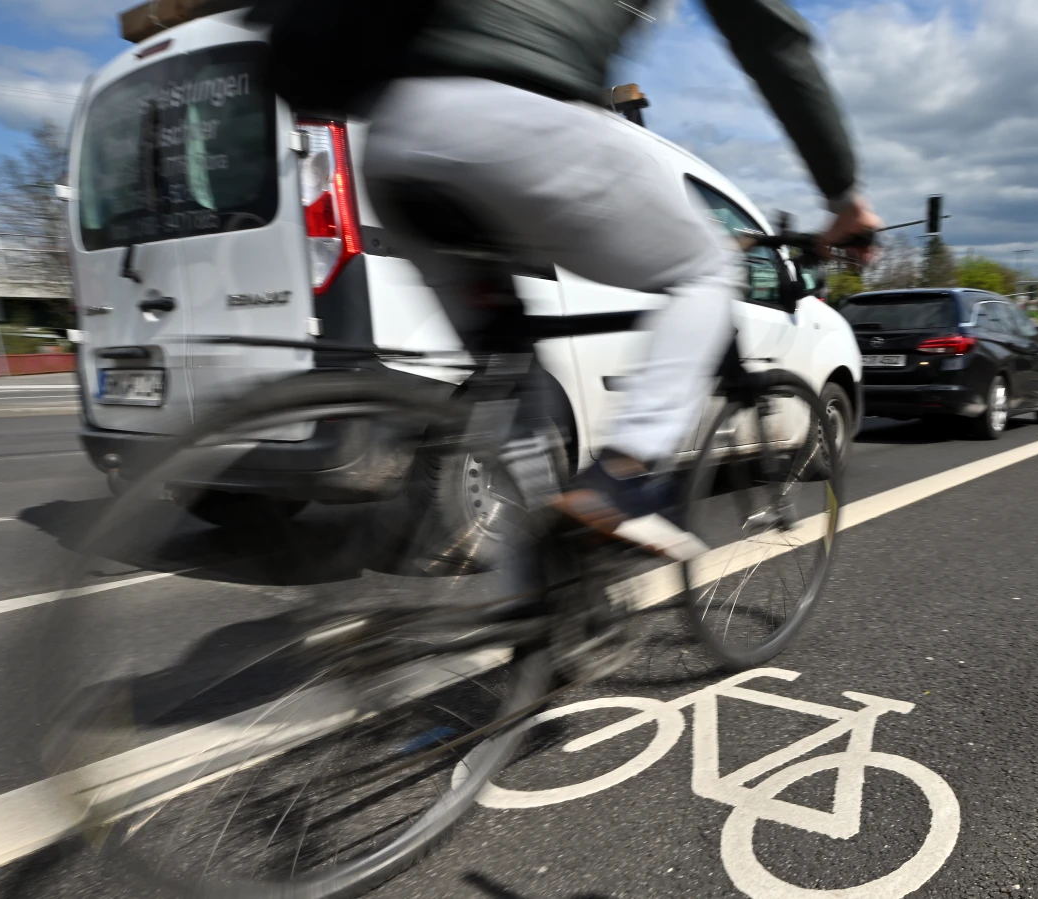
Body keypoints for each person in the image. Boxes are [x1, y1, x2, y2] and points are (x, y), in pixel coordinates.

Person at [362, 0, 881, 560]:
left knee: (508, 370)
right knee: (707, 268)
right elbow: (771, 38)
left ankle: (534, 607)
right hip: (517, 116)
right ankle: (622, 480)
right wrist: (843, 193)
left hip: (395, 136)